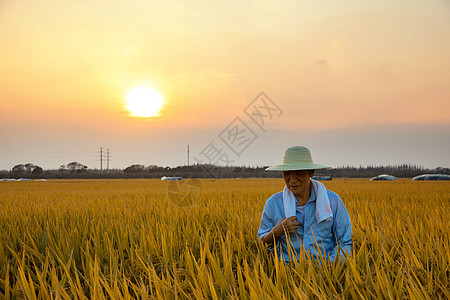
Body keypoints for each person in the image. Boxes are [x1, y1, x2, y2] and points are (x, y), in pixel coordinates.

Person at [257, 146, 352, 263]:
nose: (292, 180)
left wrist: (330, 267)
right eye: (287, 174)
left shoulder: (333, 201)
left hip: (326, 271)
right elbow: (262, 245)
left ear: (311, 173)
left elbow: (345, 242)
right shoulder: (274, 203)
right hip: (287, 273)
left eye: (298, 173)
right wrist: (276, 232)